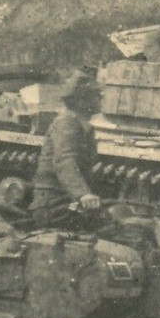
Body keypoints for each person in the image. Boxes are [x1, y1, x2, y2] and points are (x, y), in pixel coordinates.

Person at [29, 70, 103, 227]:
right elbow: (65, 160)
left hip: (64, 201)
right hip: (52, 205)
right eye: (97, 95)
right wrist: (83, 194)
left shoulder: (84, 126)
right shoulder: (67, 123)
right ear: (84, 100)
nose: (101, 99)